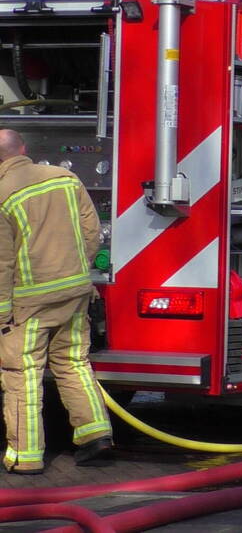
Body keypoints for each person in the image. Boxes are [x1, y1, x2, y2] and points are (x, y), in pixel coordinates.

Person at [0, 129, 112, 474]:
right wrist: (78, 270)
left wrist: (3, 314)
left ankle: (25, 457)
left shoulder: (2, 194)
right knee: (73, 362)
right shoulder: (65, 178)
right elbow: (92, 232)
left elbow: (2, 263)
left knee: (22, 373)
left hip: (30, 302)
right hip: (76, 292)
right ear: (23, 148)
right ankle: (96, 435)